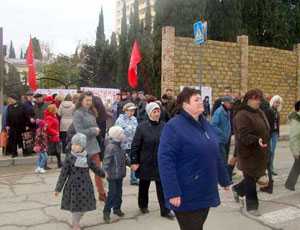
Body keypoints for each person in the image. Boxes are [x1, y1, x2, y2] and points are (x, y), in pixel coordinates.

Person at [158, 88, 230, 230]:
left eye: (200, 98)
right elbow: (165, 160)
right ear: (185, 105)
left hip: (205, 189)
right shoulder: (174, 127)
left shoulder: (205, 125)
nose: (201, 101)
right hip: (186, 192)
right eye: (196, 99)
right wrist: (172, 191)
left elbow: (215, 154)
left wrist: (224, 179)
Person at [131, 102, 175, 220]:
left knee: (162, 187)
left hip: (160, 162)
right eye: (154, 112)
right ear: (149, 113)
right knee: (144, 185)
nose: (157, 114)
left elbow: (170, 144)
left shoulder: (165, 126)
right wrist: (134, 161)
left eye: (158, 111)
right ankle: (143, 205)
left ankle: (165, 210)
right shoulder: (142, 127)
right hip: (145, 161)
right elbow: (135, 145)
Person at [54, 133, 106, 230]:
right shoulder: (69, 158)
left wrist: (103, 174)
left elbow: (95, 168)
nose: (74, 146)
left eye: (77, 145)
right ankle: (75, 224)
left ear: (83, 146)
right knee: (76, 207)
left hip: (86, 186)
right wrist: (58, 189)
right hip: (73, 186)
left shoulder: (87, 157)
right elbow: (63, 174)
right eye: (73, 144)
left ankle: (76, 220)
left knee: (84, 207)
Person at [232, 89, 270, 216]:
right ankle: (252, 206)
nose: (258, 101)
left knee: (252, 178)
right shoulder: (241, 115)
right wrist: (256, 140)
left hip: (260, 152)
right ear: (248, 99)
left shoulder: (259, 112)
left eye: (259, 98)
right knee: (250, 179)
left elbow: (265, 129)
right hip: (247, 153)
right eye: (255, 98)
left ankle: (237, 189)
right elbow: (243, 135)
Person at [73, 92, 107, 202]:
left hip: (94, 146)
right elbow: (79, 131)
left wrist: (97, 130)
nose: (89, 102)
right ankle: (82, 196)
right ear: (81, 101)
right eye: (87, 100)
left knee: (98, 171)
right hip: (83, 148)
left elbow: (95, 125)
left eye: (90, 100)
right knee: (83, 174)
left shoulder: (92, 111)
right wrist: (93, 131)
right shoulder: (77, 113)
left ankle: (102, 194)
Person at [102, 126, 126, 223]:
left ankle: (117, 208)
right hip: (112, 175)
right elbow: (106, 161)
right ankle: (106, 211)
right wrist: (104, 173)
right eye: (122, 134)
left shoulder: (120, 145)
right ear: (117, 136)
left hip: (120, 174)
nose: (124, 135)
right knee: (112, 193)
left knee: (119, 192)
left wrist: (130, 163)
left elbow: (124, 157)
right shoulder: (110, 147)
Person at [115, 102, 139, 185]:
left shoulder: (134, 119)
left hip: (132, 143)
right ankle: (118, 176)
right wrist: (130, 129)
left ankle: (134, 178)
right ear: (125, 110)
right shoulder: (120, 120)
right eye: (130, 110)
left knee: (133, 160)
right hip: (123, 145)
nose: (132, 112)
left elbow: (136, 130)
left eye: (133, 110)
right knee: (122, 161)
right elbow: (119, 131)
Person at [211, 96, 234, 165]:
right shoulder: (219, 112)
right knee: (222, 159)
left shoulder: (228, 111)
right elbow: (213, 125)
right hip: (220, 140)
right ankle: (222, 174)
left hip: (226, 139)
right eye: (230, 103)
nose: (232, 105)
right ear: (225, 103)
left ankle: (225, 171)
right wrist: (222, 134)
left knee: (225, 157)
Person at [266, 95, 283, 176]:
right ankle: (268, 168)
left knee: (272, 152)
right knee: (270, 151)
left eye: (278, 103)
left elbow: (277, 123)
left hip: (275, 133)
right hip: (270, 134)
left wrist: (278, 133)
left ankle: (270, 168)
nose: (277, 104)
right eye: (276, 102)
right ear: (272, 102)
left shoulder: (277, 111)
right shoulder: (269, 110)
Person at [285, 101, 300, 191]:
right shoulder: (296, 120)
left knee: (297, 166)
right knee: (297, 166)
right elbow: (294, 137)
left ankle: (289, 184)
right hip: (298, 148)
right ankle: (289, 184)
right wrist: (295, 152)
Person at [44, 104, 62, 168]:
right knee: (49, 151)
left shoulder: (53, 116)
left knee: (58, 151)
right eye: (55, 108)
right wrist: (55, 133)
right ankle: (44, 164)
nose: (57, 109)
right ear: (53, 110)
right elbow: (47, 128)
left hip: (55, 137)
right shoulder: (49, 117)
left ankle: (59, 163)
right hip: (52, 137)